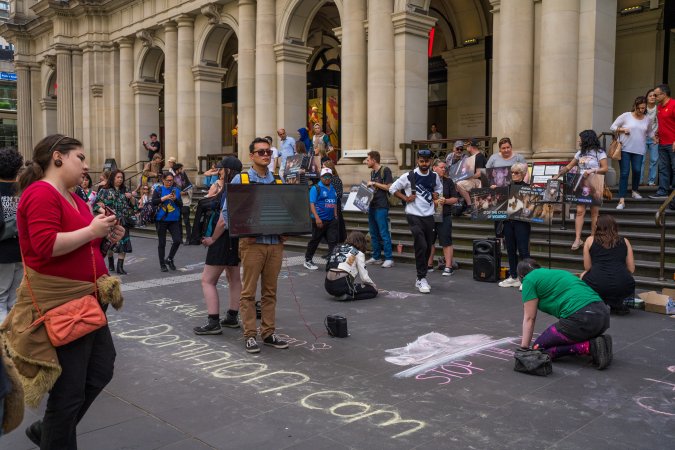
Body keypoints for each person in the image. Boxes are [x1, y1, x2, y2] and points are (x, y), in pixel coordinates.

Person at [3, 134, 124, 448]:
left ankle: (49, 429)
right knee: (69, 391)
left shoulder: (72, 195)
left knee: (99, 369)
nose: (85, 165)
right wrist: (91, 230)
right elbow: (45, 246)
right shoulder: (42, 193)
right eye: (80, 157)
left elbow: (86, 245)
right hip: (63, 305)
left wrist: (106, 235)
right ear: (58, 157)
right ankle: (54, 434)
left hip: (86, 301)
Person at [222, 137, 289, 354]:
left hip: (274, 244)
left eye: (268, 152)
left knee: (270, 292)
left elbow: (283, 210)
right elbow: (226, 211)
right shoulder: (241, 179)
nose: (266, 155)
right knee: (248, 292)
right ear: (251, 156)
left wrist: (286, 229)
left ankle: (268, 333)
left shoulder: (277, 180)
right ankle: (250, 334)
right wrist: (242, 232)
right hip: (251, 244)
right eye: (260, 152)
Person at [517, 259, 612, 370]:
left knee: (538, 349)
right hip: (602, 315)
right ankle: (597, 342)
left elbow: (529, 318)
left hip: (582, 318)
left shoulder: (528, 279)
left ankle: (590, 347)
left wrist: (524, 349)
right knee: (567, 331)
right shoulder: (557, 273)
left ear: (521, 276)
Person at [195, 157, 243, 335]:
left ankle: (213, 321)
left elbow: (223, 220)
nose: (219, 171)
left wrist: (212, 239)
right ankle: (232, 316)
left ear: (228, 170)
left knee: (207, 280)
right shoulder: (242, 186)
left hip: (222, 238)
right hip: (236, 237)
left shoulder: (228, 189)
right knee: (234, 278)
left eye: (221, 169)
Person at [389, 149, 442, 293]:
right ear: (417, 161)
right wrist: (405, 198)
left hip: (429, 216)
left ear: (431, 161)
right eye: (421, 161)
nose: (424, 164)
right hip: (413, 215)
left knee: (428, 246)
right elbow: (392, 188)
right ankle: (421, 277)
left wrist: (437, 195)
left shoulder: (434, 176)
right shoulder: (409, 176)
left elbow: (439, 189)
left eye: (427, 161)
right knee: (422, 245)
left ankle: (421, 278)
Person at [554, 130, 608, 250]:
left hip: (595, 182)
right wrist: (558, 175)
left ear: (587, 139)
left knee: (595, 212)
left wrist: (593, 170)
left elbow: (605, 168)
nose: (579, 140)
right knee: (579, 211)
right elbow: (569, 166)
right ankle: (578, 239)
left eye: (581, 138)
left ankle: (593, 238)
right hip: (582, 183)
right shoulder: (580, 153)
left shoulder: (599, 152)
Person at [581, 215, 635, 316]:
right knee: (622, 277)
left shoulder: (589, 240)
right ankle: (616, 304)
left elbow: (587, 267)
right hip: (623, 285)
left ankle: (596, 304)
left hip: (598, 284)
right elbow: (631, 269)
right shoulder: (625, 241)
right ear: (614, 226)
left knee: (583, 275)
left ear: (597, 226)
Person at [610, 96, 654, 209]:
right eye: (639, 108)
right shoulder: (626, 116)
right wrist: (622, 129)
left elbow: (649, 132)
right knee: (624, 173)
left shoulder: (647, 119)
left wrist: (655, 138)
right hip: (624, 149)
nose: (641, 110)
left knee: (637, 170)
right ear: (635, 106)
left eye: (643, 108)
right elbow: (613, 127)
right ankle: (621, 200)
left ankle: (634, 191)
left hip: (639, 150)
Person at [94, 170, 137, 275]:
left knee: (125, 244)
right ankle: (111, 263)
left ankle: (120, 267)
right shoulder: (104, 191)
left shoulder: (125, 190)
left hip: (124, 221)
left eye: (121, 177)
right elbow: (96, 205)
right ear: (113, 178)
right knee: (111, 244)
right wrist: (103, 209)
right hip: (111, 222)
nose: (120, 179)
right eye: (118, 177)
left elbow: (134, 206)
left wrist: (131, 197)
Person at [498, 162, 531, 288]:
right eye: (512, 172)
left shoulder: (527, 187)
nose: (514, 175)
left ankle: (527, 279)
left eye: (516, 172)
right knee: (510, 250)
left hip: (522, 223)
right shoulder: (507, 187)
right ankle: (513, 276)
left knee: (523, 250)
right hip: (508, 222)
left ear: (522, 174)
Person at [0, 147, 23, 322]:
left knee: (0, 297)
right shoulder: (23, 191)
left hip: (2, 251)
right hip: (21, 250)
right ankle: (14, 339)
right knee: (15, 300)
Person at [426, 159, 458, 276]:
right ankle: (429, 264)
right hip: (429, 215)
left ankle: (448, 266)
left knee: (446, 241)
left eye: (445, 167)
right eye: (442, 167)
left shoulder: (448, 181)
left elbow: (455, 199)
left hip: (444, 215)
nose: (444, 169)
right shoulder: (427, 180)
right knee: (430, 241)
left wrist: (446, 201)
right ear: (434, 168)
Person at [325, 231, 378, 301]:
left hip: (328, 285)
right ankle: (348, 296)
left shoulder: (337, 248)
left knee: (352, 284)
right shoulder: (358, 253)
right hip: (341, 284)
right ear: (362, 242)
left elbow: (328, 267)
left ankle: (343, 293)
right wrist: (373, 285)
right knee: (373, 291)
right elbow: (364, 277)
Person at [304, 168, 339, 270]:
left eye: (329, 176)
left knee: (333, 241)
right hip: (320, 220)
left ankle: (332, 263)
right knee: (315, 240)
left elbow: (334, 202)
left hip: (331, 220)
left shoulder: (332, 188)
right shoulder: (316, 188)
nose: (327, 179)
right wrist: (317, 218)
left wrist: (336, 215)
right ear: (321, 177)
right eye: (325, 176)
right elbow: (312, 204)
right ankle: (308, 260)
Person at [365, 150, 394, 268]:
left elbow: (389, 187)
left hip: (382, 206)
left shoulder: (385, 170)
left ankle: (389, 258)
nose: (366, 162)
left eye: (368, 159)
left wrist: (374, 184)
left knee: (383, 232)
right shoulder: (373, 172)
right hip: (372, 205)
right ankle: (376, 256)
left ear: (374, 160)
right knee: (373, 232)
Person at [152, 171, 183, 272]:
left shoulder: (176, 190)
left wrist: (175, 199)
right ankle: (162, 265)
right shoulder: (159, 190)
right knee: (162, 243)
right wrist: (163, 198)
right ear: (163, 180)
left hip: (174, 219)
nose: (170, 182)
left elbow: (181, 205)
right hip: (161, 220)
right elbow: (153, 202)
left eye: (171, 180)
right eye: (168, 180)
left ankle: (169, 259)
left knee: (177, 240)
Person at [650, 84, 675, 199]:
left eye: (656, 95)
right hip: (662, 143)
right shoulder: (659, 107)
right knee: (663, 168)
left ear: (664, 94)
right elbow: (662, 124)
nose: (654, 97)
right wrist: (657, 134)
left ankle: (673, 195)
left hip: (673, 143)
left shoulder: (673, 105)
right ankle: (662, 192)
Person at [455, 139, 487, 215]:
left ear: (471, 146)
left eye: (467, 146)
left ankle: (477, 207)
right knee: (459, 184)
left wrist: (467, 176)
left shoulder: (479, 157)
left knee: (462, 182)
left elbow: (479, 174)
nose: (466, 148)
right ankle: (469, 205)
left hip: (479, 181)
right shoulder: (471, 157)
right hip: (472, 180)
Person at [323, 160, 346, 242]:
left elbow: (339, 193)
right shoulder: (324, 180)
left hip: (335, 205)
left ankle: (337, 239)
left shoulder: (336, 179)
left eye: (324, 168)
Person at [642, 89, 659, 186]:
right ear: (646, 98)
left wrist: (658, 135)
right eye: (650, 95)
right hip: (643, 137)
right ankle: (639, 181)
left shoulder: (659, 108)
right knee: (642, 160)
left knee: (654, 160)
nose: (652, 97)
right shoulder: (643, 108)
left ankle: (651, 181)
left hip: (655, 138)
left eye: (654, 96)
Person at [173, 163, 193, 241]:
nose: (182, 170)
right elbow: (172, 189)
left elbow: (190, 188)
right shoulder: (173, 179)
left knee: (186, 221)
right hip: (177, 202)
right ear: (177, 170)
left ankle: (189, 239)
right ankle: (179, 239)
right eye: (181, 169)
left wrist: (184, 193)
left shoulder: (184, 177)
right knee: (178, 221)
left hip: (185, 202)